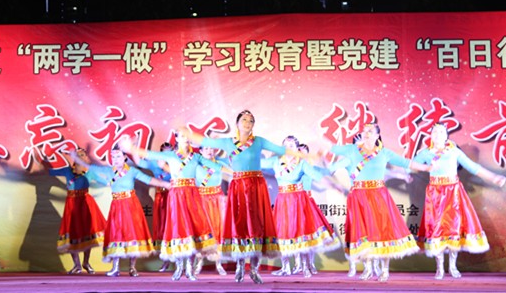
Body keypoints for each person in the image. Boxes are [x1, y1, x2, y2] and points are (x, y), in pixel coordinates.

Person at [180, 109, 304, 284]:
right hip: (238, 188)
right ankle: (240, 265)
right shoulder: (228, 142)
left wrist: (304, 154)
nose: (248, 123)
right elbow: (205, 141)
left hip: (256, 187)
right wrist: (185, 135)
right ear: (237, 123)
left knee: (257, 226)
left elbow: (281, 149)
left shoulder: (259, 141)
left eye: (251, 121)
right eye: (244, 120)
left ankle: (253, 269)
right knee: (239, 226)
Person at [321, 123, 431, 282]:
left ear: (377, 135)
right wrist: (318, 137)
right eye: (364, 130)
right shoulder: (352, 150)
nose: (366, 133)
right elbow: (332, 147)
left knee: (382, 232)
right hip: (358, 198)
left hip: (378, 197)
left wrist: (427, 168)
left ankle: (384, 270)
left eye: (370, 131)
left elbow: (406, 163)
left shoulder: (384, 153)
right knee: (363, 234)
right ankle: (368, 268)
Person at [121, 132, 222, 281]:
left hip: (192, 195)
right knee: (178, 229)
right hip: (176, 197)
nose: (185, 138)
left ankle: (190, 269)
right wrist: (132, 147)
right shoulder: (170, 156)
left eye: (187, 136)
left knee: (192, 229)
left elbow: (216, 166)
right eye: (182, 136)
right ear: (177, 139)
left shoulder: (195, 157)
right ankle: (179, 267)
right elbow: (148, 155)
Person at [412, 123, 506, 279]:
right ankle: (439, 267)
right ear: (430, 136)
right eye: (435, 132)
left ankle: (452, 266)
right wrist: (418, 166)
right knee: (437, 228)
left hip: (453, 193)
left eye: (441, 132)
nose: (438, 134)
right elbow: (410, 166)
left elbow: (473, 167)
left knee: (453, 228)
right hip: (435, 194)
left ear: (446, 135)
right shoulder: (426, 153)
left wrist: (493, 178)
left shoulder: (454, 152)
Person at [262, 136, 341, 278]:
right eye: (286, 145)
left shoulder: (302, 164)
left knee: (302, 233)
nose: (288, 148)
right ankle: (285, 267)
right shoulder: (275, 161)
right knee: (282, 233)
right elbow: (258, 163)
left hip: (298, 201)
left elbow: (317, 176)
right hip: (283, 201)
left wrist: (333, 185)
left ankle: (305, 267)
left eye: (292, 146)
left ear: (296, 149)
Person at [87, 145, 171, 277]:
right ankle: (115, 267)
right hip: (116, 206)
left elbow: (148, 179)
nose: (115, 159)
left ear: (125, 158)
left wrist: (165, 184)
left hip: (131, 205)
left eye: (118, 156)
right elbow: (90, 167)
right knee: (116, 234)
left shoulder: (132, 171)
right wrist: (77, 158)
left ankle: (132, 267)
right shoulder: (109, 171)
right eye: (113, 157)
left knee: (133, 234)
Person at [49, 147, 107, 275]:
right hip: (71, 204)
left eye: (83, 155)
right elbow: (50, 172)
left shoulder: (90, 172)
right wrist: (43, 161)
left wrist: (116, 178)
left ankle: (86, 262)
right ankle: (77, 265)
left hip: (85, 203)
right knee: (72, 232)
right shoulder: (67, 171)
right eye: (78, 155)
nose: (81, 157)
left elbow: (105, 181)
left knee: (87, 232)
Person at [193, 144, 232, 276]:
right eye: (206, 149)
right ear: (200, 151)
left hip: (217, 200)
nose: (210, 151)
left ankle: (218, 263)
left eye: (211, 148)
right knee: (202, 230)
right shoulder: (196, 165)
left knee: (218, 230)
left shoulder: (220, 163)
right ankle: (199, 262)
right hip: (201, 199)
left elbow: (234, 170)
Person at [134, 142, 173, 272]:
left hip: (173, 197)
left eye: (170, 152)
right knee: (162, 227)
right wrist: (134, 147)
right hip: (160, 197)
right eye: (164, 152)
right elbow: (139, 162)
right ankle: (165, 260)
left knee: (174, 227)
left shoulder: (176, 163)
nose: (167, 155)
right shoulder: (154, 163)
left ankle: (180, 261)